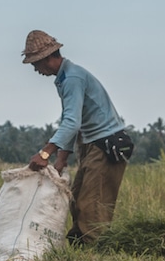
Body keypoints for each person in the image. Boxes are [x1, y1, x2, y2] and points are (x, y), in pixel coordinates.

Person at [22, 30, 132, 245]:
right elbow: (70, 121)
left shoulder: (72, 77)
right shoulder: (64, 78)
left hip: (106, 145)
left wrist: (45, 153)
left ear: (48, 59)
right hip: (91, 144)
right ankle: (81, 247)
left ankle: (96, 256)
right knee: (76, 200)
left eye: (36, 64)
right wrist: (62, 158)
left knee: (92, 205)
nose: (36, 70)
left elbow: (72, 122)